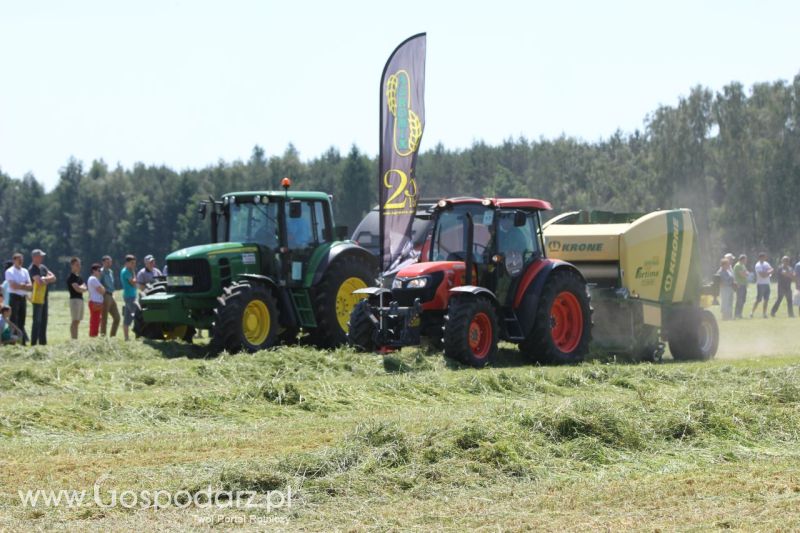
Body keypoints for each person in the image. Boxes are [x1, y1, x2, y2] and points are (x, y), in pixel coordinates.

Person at [28, 249, 56, 346]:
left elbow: (54, 277)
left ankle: (43, 343)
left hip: (44, 296)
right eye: (40, 256)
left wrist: (44, 279)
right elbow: (39, 282)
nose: (42, 258)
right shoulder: (32, 269)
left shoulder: (43, 267)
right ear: (34, 257)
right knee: (37, 321)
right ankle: (34, 343)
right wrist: (45, 279)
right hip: (36, 298)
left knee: (44, 320)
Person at [4, 253, 32, 344]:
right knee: (13, 319)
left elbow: (30, 286)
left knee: (22, 319)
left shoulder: (25, 271)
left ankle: (22, 341)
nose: (21, 261)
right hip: (14, 297)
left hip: (22, 297)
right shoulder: (9, 271)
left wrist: (20, 285)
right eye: (19, 259)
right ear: (14, 260)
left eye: (22, 259)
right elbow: (13, 286)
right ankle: (13, 341)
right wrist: (24, 285)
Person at [67, 257, 88, 339]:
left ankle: (76, 338)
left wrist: (81, 288)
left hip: (80, 300)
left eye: (79, 265)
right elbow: (77, 289)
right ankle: (74, 339)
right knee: (74, 320)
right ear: (72, 265)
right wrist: (81, 288)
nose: (79, 266)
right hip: (74, 300)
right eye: (77, 265)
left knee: (78, 320)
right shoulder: (71, 277)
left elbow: (85, 288)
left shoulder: (79, 277)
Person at [100, 255, 120, 337]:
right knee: (104, 319)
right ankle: (103, 338)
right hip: (105, 296)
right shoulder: (100, 272)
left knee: (117, 318)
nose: (109, 264)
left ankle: (112, 337)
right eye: (107, 262)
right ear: (103, 262)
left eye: (110, 262)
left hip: (112, 295)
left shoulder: (111, 272)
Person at [120, 254, 138, 341]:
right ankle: (138, 335)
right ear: (127, 263)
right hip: (130, 297)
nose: (133, 265)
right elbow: (133, 283)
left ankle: (126, 338)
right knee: (137, 315)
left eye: (134, 263)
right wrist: (134, 273)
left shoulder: (128, 271)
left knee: (127, 318)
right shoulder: (126, 272)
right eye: (132, 263)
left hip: (131, 296)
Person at [750, 252, 773, 318]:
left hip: (767, 283)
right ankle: (752, 312)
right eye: (763, 257)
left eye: (765, 257)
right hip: (760, 284)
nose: (764, 258)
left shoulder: (766, 263)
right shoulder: (758, 265)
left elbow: (772, 269)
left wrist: (767, 273)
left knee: (766, 299)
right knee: (758, 299)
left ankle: (764, 313)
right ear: (760, 258)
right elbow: (762, 275)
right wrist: (768, 272)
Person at [87, 263, 106, 337]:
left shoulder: (94, 279)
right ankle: (93, 338)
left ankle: (93, 337)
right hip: (95, 303)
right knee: (95, 323)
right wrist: (103, 289)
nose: (100, 272)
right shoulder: (93, 279)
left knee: (96, 322)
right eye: (98, 270)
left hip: (96, 303)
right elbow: (102, 291)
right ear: (93, 271)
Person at [733, 254, 749, 319]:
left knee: (743, 300)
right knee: (739, 300)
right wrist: (746, 273)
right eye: (745, 259)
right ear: (742, 259)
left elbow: (746, 273)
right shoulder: (738, 265)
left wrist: (746, 273)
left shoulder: (743, 265)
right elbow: (742, 274)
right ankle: (736, 314)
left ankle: (740, 314)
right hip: (740, 285)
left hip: (743, 285)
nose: (746, 260)